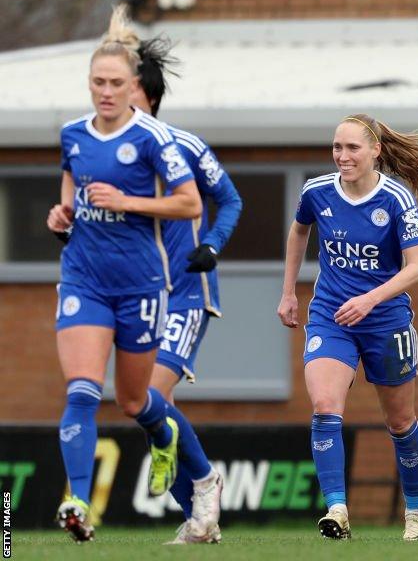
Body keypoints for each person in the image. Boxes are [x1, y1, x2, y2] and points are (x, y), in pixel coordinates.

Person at [46, 5, 202, 543]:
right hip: (83, 281)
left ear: (133, 84)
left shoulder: (155, 138)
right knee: (82, 391)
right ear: (88, 83)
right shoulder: (72, 134)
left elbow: (189, 204)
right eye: (98, 83)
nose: (107, 92)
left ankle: (165, 437)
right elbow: (72, 193)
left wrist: (129, 202)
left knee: (134, 401)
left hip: (140, 286)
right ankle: (78, 502)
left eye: (116, 83)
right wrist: (62, 215)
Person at [277, 114, 418, 541]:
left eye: (352, 148)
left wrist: (370, 299)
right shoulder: (317, 191)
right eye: (337, 147)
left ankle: (415, 513)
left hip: (385, 319)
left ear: (375, 150)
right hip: (332, 316)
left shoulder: (396, 198)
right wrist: (288, 291)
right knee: (325, 405)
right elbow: (298, 232)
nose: (342, 156)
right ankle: (338, 510)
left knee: (400, 421)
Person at [129, 34, 243, 544]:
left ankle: (204, 485)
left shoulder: (185, 146)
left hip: (185, 292)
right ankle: (199, 517)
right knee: (144, 407)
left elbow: (231, 199)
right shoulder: (106, 155)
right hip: (137, 296)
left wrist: (212, 244)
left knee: (151, 395)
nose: (111, 98)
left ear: (148, 97)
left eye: (124, 88)